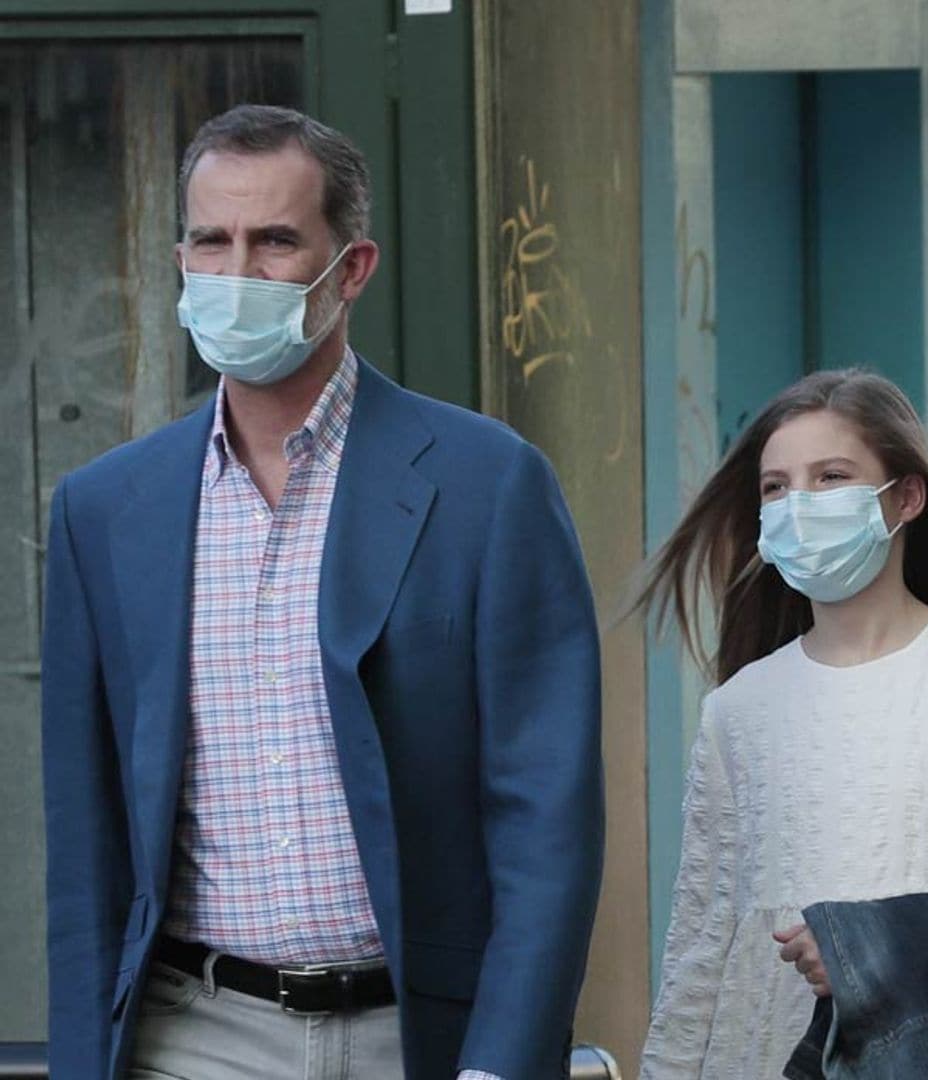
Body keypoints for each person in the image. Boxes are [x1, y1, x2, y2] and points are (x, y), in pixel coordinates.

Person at [39, 105, 604, 1080]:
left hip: (417, 1037)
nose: (238, 273)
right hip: (194, 1034)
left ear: (351, 269)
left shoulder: (487, 485)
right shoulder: (105, 511)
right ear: (181, 259)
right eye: (213, 241)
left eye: (275, 242)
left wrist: (501, 1064)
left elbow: (545, 811)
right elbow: (85, 841)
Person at [634, 369, 928, 1078]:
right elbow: (698, 962)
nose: (800, 504)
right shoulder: (735, 714)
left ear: (906, 497)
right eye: (776, 487)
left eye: (832, 477)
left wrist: (873, 949)